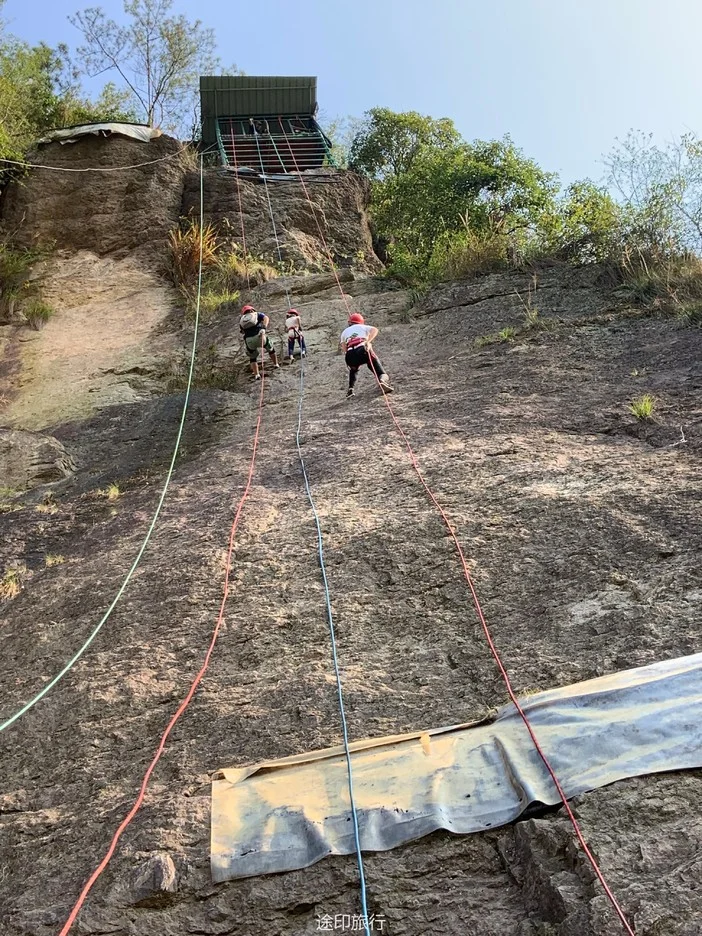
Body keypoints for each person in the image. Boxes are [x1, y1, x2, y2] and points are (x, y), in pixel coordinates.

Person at [339, 312, 393, 398]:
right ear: (361, 321)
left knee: (353, 370)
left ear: (349, 322)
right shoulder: (363, 327)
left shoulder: (344, 332)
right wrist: (368, 342)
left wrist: (350, 356)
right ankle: (382, 380)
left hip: (349, 355)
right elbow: (375, 330)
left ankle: (350, 389)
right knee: (378, 369)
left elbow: (344, 347)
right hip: (362, 349)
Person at [239, 304, 280, 379]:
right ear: (252, 310)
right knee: (270, 348)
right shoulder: (257, 314)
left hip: (249, 340)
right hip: (259, 336)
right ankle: (276, 364)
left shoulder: (242, 319)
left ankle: (256, 374)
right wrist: (263, 327)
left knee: (252, 357)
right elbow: (266, 318)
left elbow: (242, 331)